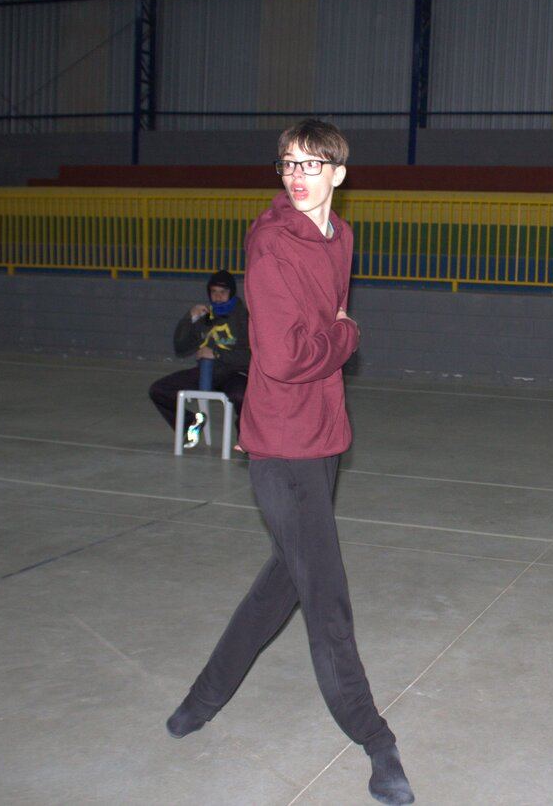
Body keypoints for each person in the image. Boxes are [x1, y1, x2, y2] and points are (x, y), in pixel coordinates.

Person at [165, 120, 414, 806]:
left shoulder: (342, 237)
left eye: (312, 163)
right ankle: (376, 739)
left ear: (339, 173)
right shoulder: (271, 245)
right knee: (326, 596)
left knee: (283, 583)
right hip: (280, 446)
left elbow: (327, 319)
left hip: (325, 434)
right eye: (288, 164)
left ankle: (201, 700)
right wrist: (344, 338)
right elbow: (282, 355)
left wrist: (332, 332)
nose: (298, 175)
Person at [148, 270, 249, 448]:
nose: (217, 297)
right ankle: (191, 423)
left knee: (242, 396)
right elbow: (180, 347)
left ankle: (246, 440)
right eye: (214, 292)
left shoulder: (243, 317)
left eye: (223, 292)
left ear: (232, 293)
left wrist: (217, 353)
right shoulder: (206, 317)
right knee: (159, 390)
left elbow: (249, 357)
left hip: (234, 373)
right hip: (207, 372)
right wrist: (189, 318)